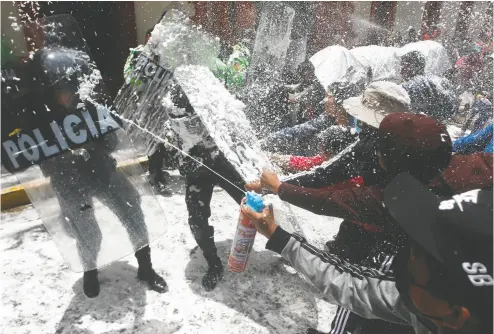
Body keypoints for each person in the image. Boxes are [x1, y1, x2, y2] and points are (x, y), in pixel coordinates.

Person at [247, 112, 493, 334]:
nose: (401, 267)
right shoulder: (478, 168)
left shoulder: (413, 298)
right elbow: (358, 288)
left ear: (453, 315)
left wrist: (279, 190)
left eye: (414, 256)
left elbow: (359, 289)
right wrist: (279, 234)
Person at [400, 51, 458, 122]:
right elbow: (453, 106)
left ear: (413, 67)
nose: (401, 71)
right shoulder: (439, 80)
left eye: (404, 66)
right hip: (441, 123)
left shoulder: (409, 86)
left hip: (422, 125)